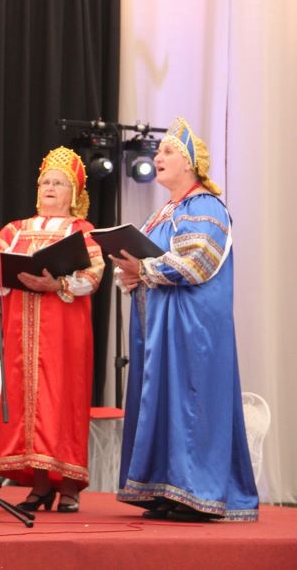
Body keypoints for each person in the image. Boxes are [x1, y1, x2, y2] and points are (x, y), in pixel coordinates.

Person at [112, 117, 258, 522]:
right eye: (158, 152)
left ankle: (196, 491)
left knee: (190, 402)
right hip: (160, 325)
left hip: (192, 327)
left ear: (190, 163)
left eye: (168, 151)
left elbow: (198, 262)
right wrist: (130, 273)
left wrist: (143, 269)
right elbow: (145, 263)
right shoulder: (162, 213)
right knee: (163, 401)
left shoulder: (205, 206)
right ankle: (164, 487)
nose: (157, 157)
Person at [0, 147, 104, 514]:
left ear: (75, 194)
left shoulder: (82, 230)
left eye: (59, 183)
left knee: (62, 399)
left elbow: (93, 276)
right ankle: (39, 484)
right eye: (45, 183)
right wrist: (2, 275)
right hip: (20, 330)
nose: (50, 188)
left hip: (64, 331)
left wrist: (58, 284)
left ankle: (69, 484)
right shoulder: (14, 230)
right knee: (25, 402)